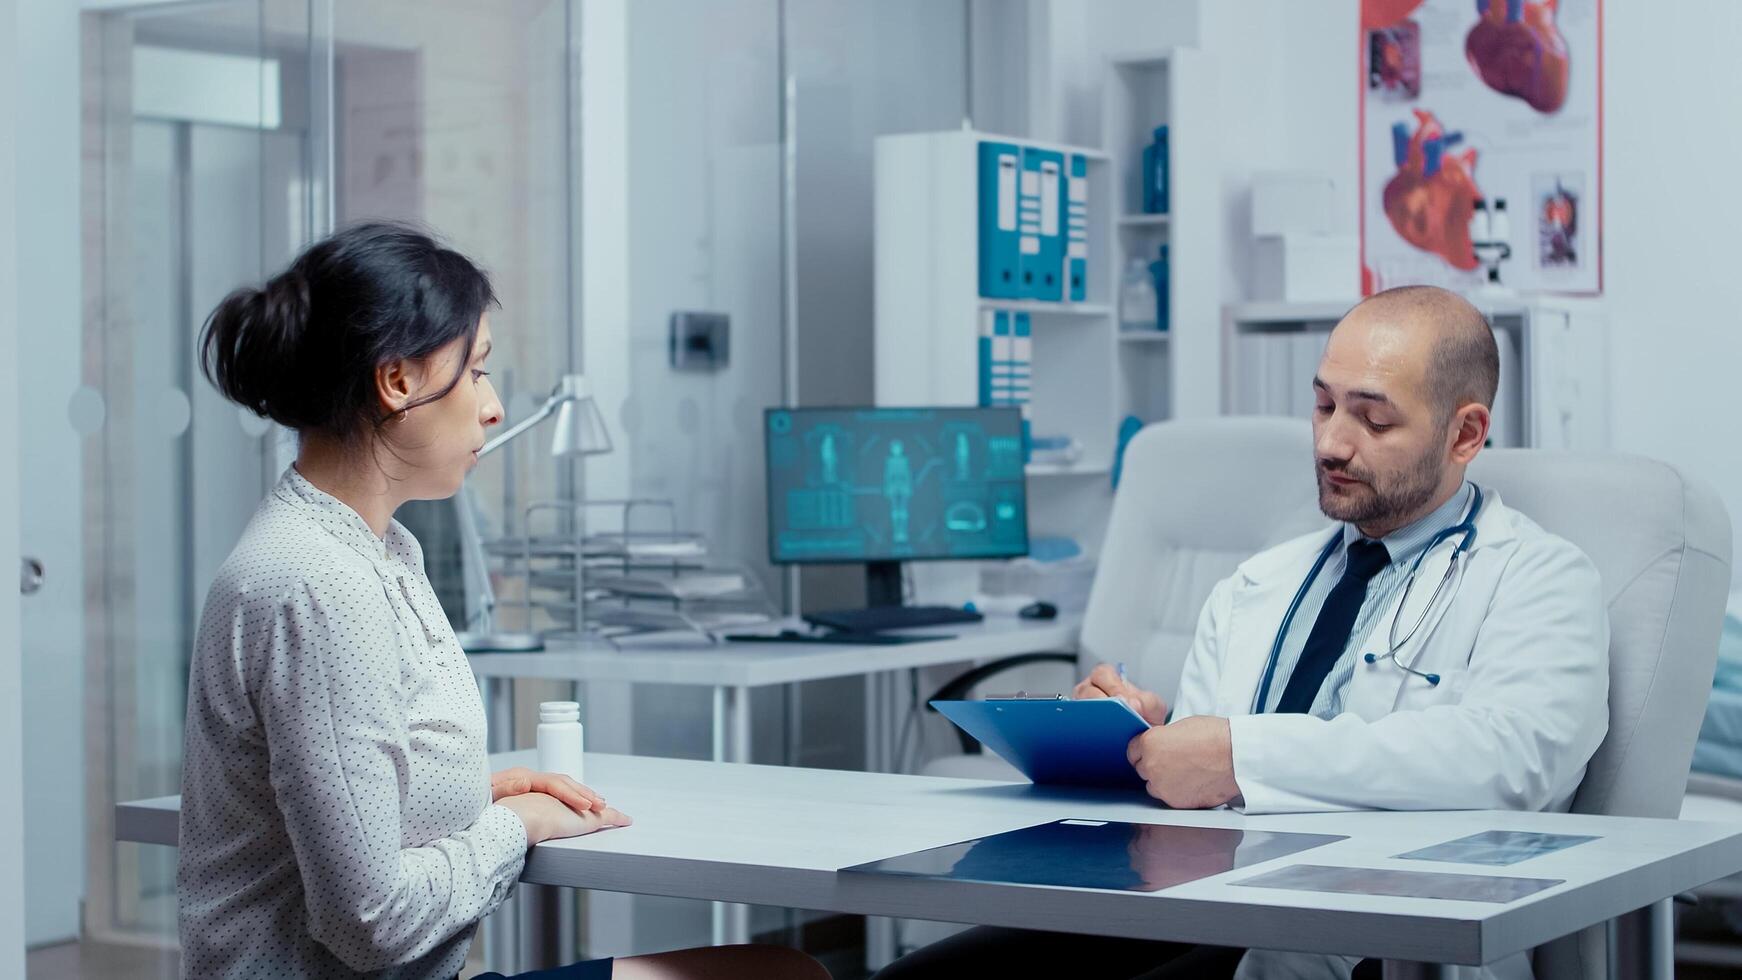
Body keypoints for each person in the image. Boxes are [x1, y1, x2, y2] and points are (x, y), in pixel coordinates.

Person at [877, 285, 1610, 980]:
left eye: (1373, 419)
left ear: (1466, 433)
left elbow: (1516, 763)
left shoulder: (1539, 578)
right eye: (1323, 406)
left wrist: (1236, 754)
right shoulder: (1260, 584)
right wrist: (1136, 744)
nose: (1331, 442)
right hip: (1202, 902)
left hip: (1370, 926)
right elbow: (1193, 802)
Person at [177, 222, 828, 980]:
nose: (491, 407)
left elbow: (337, 805)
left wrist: (477, 795)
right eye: (477, 371)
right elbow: (369, 923)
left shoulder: (376, 548)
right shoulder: (322, 587)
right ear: (398, 381)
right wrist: (511, 825)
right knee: (781, 977)